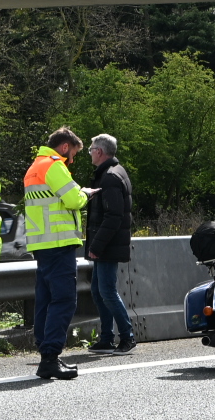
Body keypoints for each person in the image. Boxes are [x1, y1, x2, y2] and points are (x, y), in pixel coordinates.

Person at [24, 127, 89, 380]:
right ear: (64, 147)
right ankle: (50, 357)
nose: (71, 160)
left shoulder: (34, 167)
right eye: (72, 154)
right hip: (59, 243)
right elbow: (74, 200)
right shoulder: (54, 166)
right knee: (63, 300)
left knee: (46, 300)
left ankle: (46, 353)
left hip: (42, 244)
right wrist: (85, 194)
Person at [84, 133, 135, 355]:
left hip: (107, 245)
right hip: (107, 244)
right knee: (98, 290)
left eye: (91, 149)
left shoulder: (110, 178)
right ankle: (106, 338)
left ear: (99, 152)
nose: (89, 153)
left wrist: (96, 246)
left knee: (106, 291)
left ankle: (127, 336)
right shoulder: (110, 173)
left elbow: (113, 217)